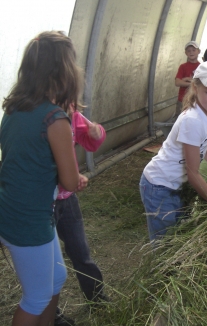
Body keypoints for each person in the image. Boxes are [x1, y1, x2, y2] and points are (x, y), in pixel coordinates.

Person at [0, 31, 82, 326]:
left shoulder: (13, 108)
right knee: (35, 296)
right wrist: (75, 174)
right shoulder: (54, 119)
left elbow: (26, 161)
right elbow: (70, 183)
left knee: (56, 278)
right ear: (63, 71)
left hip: (11, 209)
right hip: (28, 219)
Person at [140, 60, 207, 242]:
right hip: (159, 185)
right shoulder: (192, 120)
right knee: (165, 243)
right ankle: (161, 269)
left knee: (177, 235)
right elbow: (193, 174)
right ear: (195, 87)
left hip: (175, 185)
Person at [53, 104, 107, 324]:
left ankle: (97, 297)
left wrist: (97, 133)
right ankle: (52, 315)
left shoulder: (72, 113)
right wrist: (69, 179)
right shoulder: (43, 118)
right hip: (45, 201)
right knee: (50, 261)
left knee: (80, 251)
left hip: (67, 197)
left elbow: (90, 140)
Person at [173, 41, 201, 119]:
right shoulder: (183, 66)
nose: (191, 52)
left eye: (193, 50)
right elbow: (177, 82)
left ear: (199, 51)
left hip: (196, 100)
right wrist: (193, 82)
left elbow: (202, 83)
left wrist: (186, 80)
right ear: (185, 53)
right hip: (182, 100)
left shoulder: (201, 67)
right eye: (188, 51)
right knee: (179, 120)